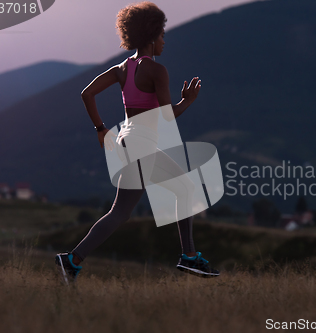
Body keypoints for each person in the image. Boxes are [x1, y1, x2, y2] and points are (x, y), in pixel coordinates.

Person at [55, 1, 219, 285]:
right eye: (163, 35)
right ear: (152, 34)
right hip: (142, 146)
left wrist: (100, 129)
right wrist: (187, 102)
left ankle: (72, 260)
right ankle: (189, 257)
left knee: (124, 210)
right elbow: (167, 117)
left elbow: (87, 94)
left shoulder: (122, 68)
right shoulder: (157, 71)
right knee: (184, 191)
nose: (164, 41)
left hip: (126, 143)